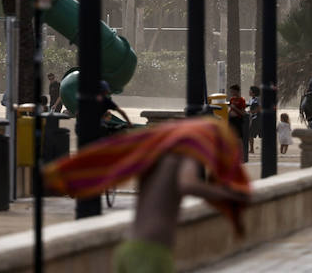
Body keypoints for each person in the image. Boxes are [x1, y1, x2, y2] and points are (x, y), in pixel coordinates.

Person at [44, 117, 250, 273]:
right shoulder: (184, 152)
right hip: (151, 253)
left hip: (130, 248)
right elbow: (187, 184)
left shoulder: (160, 155)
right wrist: (227, 193)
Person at [227, 84, 249, 161]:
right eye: (231, 91)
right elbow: (231, 109)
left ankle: (241, 157)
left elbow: (242, 113)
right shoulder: (232, 99)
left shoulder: (241, 100)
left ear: (237, 91)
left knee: (239, 139)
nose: (231, 93)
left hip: (238, 121)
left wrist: (234, 108)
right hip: (231, 121)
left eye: (232, 91)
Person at [246, 85, 261, 155]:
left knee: (253, 134)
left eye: (250, 90)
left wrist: (252, 112)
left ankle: (252, 149)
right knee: (251, 134)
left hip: (258, 118)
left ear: (254, 92)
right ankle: (251, 149)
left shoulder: (258, 99)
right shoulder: (251, 99)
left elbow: (259, 108)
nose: (249, 91)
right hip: (253, 118)